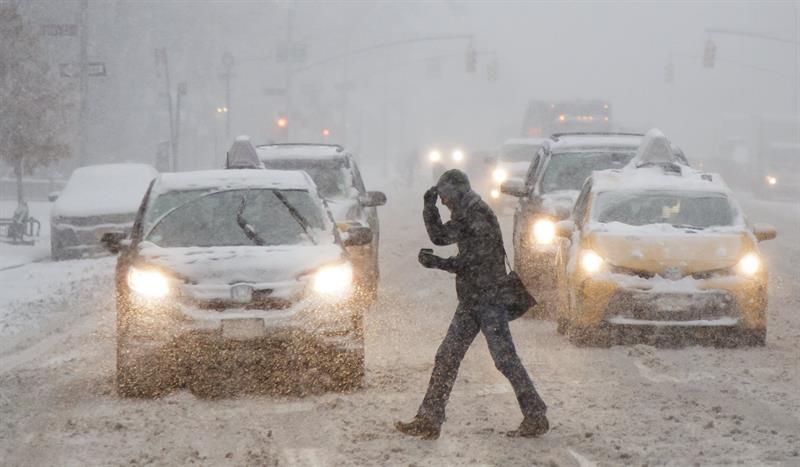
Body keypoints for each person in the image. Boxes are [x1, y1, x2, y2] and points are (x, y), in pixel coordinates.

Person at [395, 169, 549, 440]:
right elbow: (440, 237)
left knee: (504, 359)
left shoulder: (477, 215)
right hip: (473, 299)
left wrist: (438, 263)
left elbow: (474, 262)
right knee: (448, 356)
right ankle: (429, 419)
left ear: (456, 192)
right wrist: (428, 206)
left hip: (488, 298)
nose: (443, 202)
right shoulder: (466, 212)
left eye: (443, 197)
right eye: (440, 198)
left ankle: (535, 414)